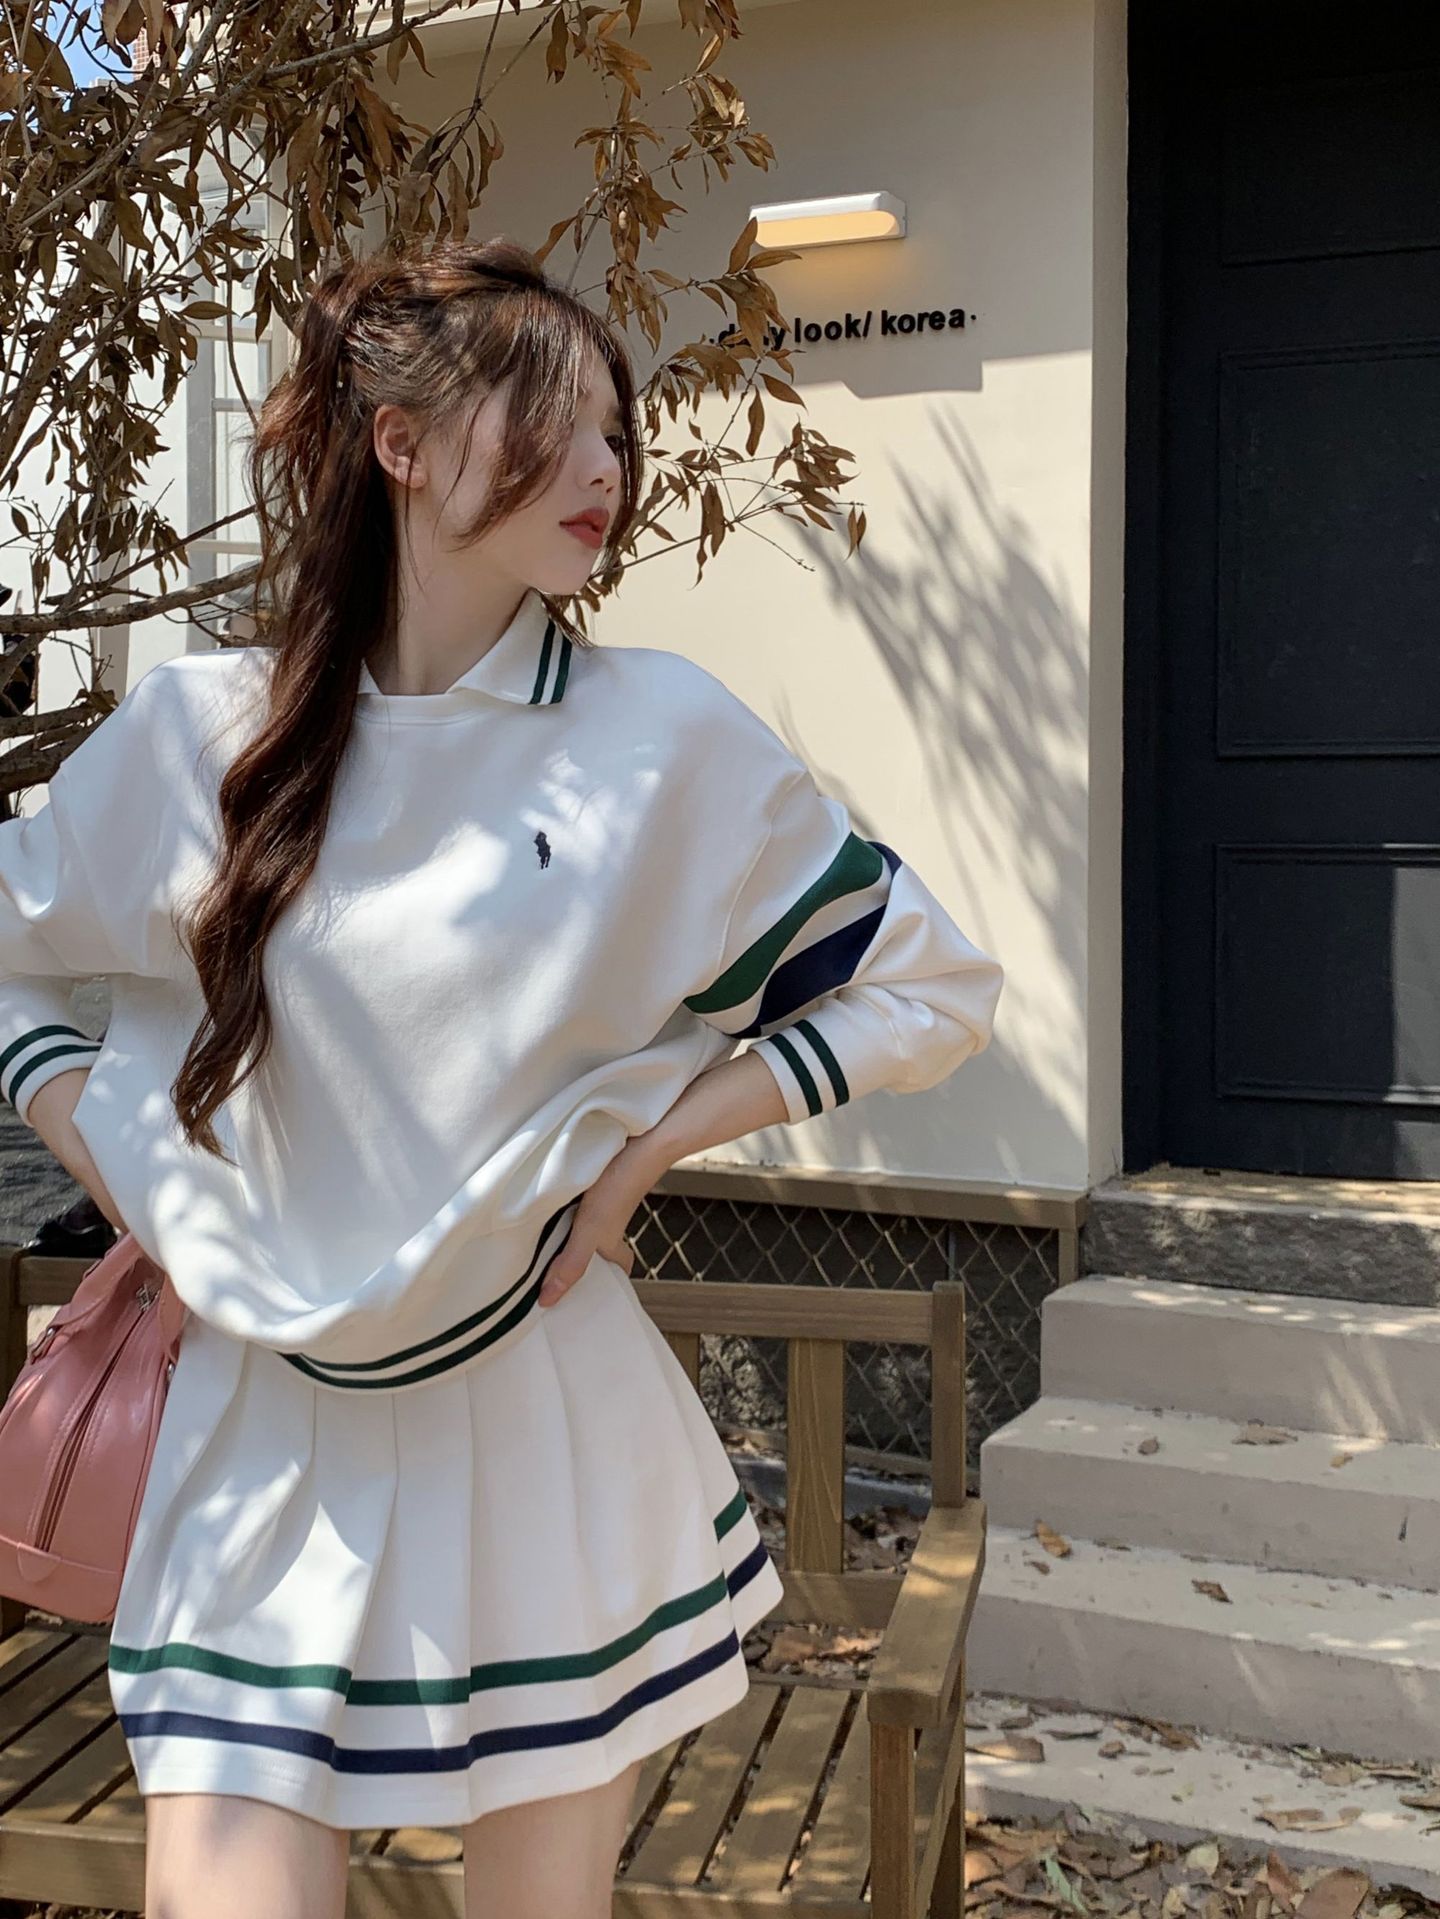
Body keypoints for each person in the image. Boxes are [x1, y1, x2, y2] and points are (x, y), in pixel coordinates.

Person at [0, 238, 1005, 1919]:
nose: (607, 466)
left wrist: (648, 1149)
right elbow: (14, 943)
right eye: (558, 419)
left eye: (620, 430)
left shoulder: (658, 738)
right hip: (260, 1441)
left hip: (542, 1430)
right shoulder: (201, 732)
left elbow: (929, 982)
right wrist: (109, 1161)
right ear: (398, 441)